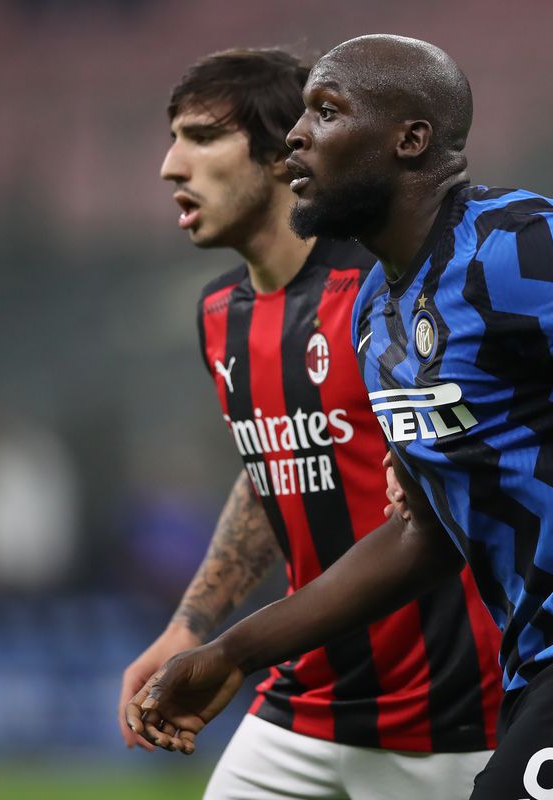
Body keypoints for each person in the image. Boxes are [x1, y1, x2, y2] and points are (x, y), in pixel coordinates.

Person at [127, 36, 553, 800]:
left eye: (325, 113)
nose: (296, 135)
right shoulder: (376, 312)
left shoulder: (520, 244)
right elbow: (422, 536)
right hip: (547, 666)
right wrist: (232, 650)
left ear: (411, 139)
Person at [117, 48, 502, 800]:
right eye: (173, 139)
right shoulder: (219, 314)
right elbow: (274, 472)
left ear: (279, 155)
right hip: (302, 701)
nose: (170, 166)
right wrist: (190, 626)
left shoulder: (384, 295)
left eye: (201, 137)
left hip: (447, 711)